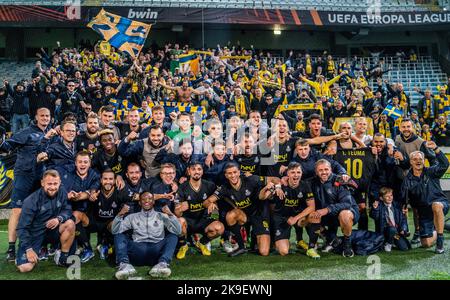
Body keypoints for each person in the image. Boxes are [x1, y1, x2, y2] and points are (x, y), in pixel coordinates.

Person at [0, 107, 55, 261]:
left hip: (40, 178)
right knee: (17, 211)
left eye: (47, 116)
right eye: (42, 116)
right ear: (36, 117)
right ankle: (11, 248)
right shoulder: (26, 132)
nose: (45, 118)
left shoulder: (51, 133)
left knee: (40, 212)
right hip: (24, 175)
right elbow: (8, 144)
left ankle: (39, 246)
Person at [15, 170, 76, 272]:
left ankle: (62, 257)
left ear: (60, 182)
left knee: (70, 224)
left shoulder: (62, 192)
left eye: (55, 183)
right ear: (42, 183)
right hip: (35, 235)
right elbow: (21, 228)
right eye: (49, 184)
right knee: (25, 268)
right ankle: (31, 251)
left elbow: (68, 210)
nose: (52, 187)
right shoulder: (31, 201)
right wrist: (28, 249)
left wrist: (59, 218)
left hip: (52, 231)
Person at [112, 192, 182, 279]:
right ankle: (124, 265)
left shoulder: (162, 216)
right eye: (143, 199)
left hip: (156, 252)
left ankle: (162, 264)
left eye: (149, 199)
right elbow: (115, 231)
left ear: (153, 202)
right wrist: (120, 214)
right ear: (139, 202)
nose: (146, 201)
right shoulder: (132, 217)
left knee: (173, 236)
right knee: (119, 235)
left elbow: (178, 231)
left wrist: (170, 214)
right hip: (137, 252)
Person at [261, 162, 321, 259]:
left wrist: (295, 218)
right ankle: (287, 240)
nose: (296, 175)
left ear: (301, 173)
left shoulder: (305, 185)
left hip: (297, 217)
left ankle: (311, 248)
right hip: (281, 218)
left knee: (314, 215)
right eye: (293, 172)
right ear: (287, 173)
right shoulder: (280, 185)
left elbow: (311, 207)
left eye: (298, 172)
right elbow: (263, 197)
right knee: (283, 251)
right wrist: (274, 187)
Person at [401, 141, 449, 254]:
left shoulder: (431, 171)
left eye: (420, 159)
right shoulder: (407, 181)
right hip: (425, 214)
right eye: (415, 159)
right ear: (411, 162)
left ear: (424, 161)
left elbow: (444, 164)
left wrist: (436, 149)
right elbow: (407, 204)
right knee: (426, 243)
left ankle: (440, 241)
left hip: (440, 204)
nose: (418, 161)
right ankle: (439, 227)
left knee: (436, 206)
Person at [309, 159, 360, 257]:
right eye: (320, 170)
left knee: (345, 214)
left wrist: (327, 209)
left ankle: (347, 244)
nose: (324, 172)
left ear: (331, 169)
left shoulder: (340, 180)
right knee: (306, 217)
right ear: (316, 172)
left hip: (346, 212)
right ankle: (331, 238)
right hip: (328, 215)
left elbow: (346, 204)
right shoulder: (312, 182)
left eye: (326, 169)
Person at [175, 162, 224, 259]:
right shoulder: (182, 187)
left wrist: (214, 217)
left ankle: (202, 243)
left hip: (204, 221)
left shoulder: (210, 185)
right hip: (188, 222)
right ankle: (184, 245)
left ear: (202, 171)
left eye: (199, 169)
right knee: (179, 222)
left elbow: (216, 207)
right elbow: (176, 213)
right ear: (189, 171)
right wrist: (180, 209)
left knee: (219, 227)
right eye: (193, 169)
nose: (196, 171)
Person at [370, 187, 410, 252]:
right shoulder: (379, 206)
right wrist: (375, 209)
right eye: (387, 196)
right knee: (392, 229)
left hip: (395, 234)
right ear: (381, 198)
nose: (390, 198)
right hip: (384, 233)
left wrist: (403, 229)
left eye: (391, 195)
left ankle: (393, 241)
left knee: (405, 247)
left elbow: (403, 219)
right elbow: (375, 217)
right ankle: (388, 243)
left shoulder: (397, 206)